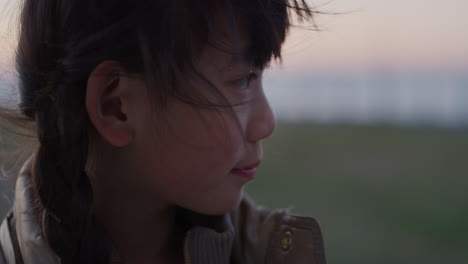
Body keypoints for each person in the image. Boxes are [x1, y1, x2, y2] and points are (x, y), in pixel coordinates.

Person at [0, 0, 326, 263]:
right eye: (242, 80)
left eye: (258, 76)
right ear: (117, 106)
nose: (267, 123)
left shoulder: (265, 251)